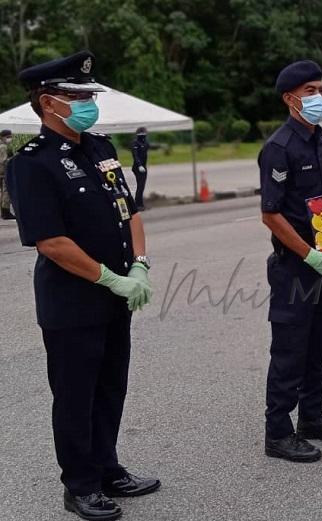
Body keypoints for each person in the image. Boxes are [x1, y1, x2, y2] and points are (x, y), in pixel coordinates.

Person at [7, 51, 159, 521]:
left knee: (111, 386)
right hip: (73, 303)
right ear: (49, 102)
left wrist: (139, 265)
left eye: (89, 95)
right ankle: (80, 485)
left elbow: (129, 212)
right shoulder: (30, 165)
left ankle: (107, 466)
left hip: (117, 298)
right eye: (78, 96)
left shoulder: (101, 148)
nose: (89, 103)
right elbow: (51, 241)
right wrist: (109, 278)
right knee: (76, 394)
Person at [259, 60, 322, 463]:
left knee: (318, 348)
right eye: (311, 91)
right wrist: (308, 253)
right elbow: (271, 213)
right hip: (296, 265)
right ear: (290, 98)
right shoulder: (279, 148)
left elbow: (320, 199)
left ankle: (311, 417)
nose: (319, 97)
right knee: (290, 351)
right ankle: (278, 432)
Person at [130, 126, 149, 210]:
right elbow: (135, 155)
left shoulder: (145, 143)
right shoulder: (135, 143)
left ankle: (140, 204)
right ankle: (138, 205)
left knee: (142, 186)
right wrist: (139, 165)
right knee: (140, 186)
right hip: (138, 167)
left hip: (143, 166)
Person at [0, 129, 14, 219]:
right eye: (8, 137)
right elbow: (3, 161)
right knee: (6, 192)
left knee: (2, 193)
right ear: (2, 137)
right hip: (3, 172)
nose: (10, 139)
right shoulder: (3, 147)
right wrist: (12, 159)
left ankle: (4, 212)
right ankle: (6, 212)